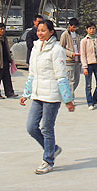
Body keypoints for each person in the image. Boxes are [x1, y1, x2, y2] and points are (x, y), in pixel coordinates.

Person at [20, 19, 74, 174]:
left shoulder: (57, 50)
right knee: (31, 127)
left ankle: (48, 160)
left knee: (46, 128)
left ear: (51, 32)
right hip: (38, 93)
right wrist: (26, 94)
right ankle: (52, 149)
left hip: (52, 95)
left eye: (43, 30)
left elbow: (61, 75)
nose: (40, 33)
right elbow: (32, 73)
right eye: (38, 30)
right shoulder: (36, 47)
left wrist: (68, 99)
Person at [0, 23, 17, 99]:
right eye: (1, 29)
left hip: (5, 61)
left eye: (3, 29)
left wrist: (10, 59)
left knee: (7, 78)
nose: (2, 31)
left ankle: (9, 93)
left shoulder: (5, 38)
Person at [80, 21, 97, 110]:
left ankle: (95, 100)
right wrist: (84, 67)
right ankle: (90, 102)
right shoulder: (84, 41)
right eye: (90, 28)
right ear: (87, 30)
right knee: (88, 85)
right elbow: (83, 54)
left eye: (93, 28)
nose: (92, 30)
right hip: (89, 65)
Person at [59, 17, 82, 95]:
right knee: (71, 80)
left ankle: (67, 93)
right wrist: (70, 54)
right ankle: (70, 97)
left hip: (77, 60)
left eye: (76, 27)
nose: (74, 29)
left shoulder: (77, 35)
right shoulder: (65, 34)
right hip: (69, 61)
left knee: (76, 80)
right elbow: (61, 48)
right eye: (73, 27)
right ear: (69, 26)